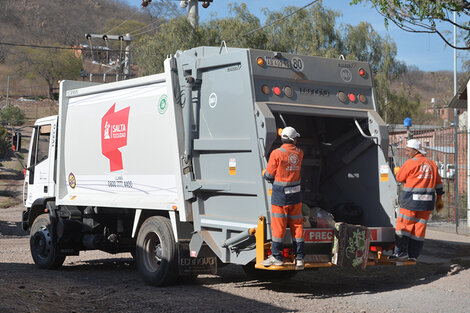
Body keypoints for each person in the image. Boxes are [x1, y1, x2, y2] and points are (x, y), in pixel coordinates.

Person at [390, 139, 444, 261]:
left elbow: (400, 178)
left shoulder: (411, 163)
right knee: (419, 230)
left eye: (408, 150)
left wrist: (397, 171)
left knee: (403, 227)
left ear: (415, 151)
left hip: (410, 202)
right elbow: (439, 184)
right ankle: (413, 256)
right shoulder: (432, 164)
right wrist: (439, 198)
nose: (406, 153)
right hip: (426, 204)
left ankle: (401, 253)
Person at [261, 126, 305, 269]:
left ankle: (277, 257)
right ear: (294, 139)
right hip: (295, 197)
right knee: (297, 225)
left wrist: (264, 172)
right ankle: (299, 258)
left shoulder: (276, 153)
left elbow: (269, 175)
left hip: (280, 197)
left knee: (278, 227)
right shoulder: (300, 153)